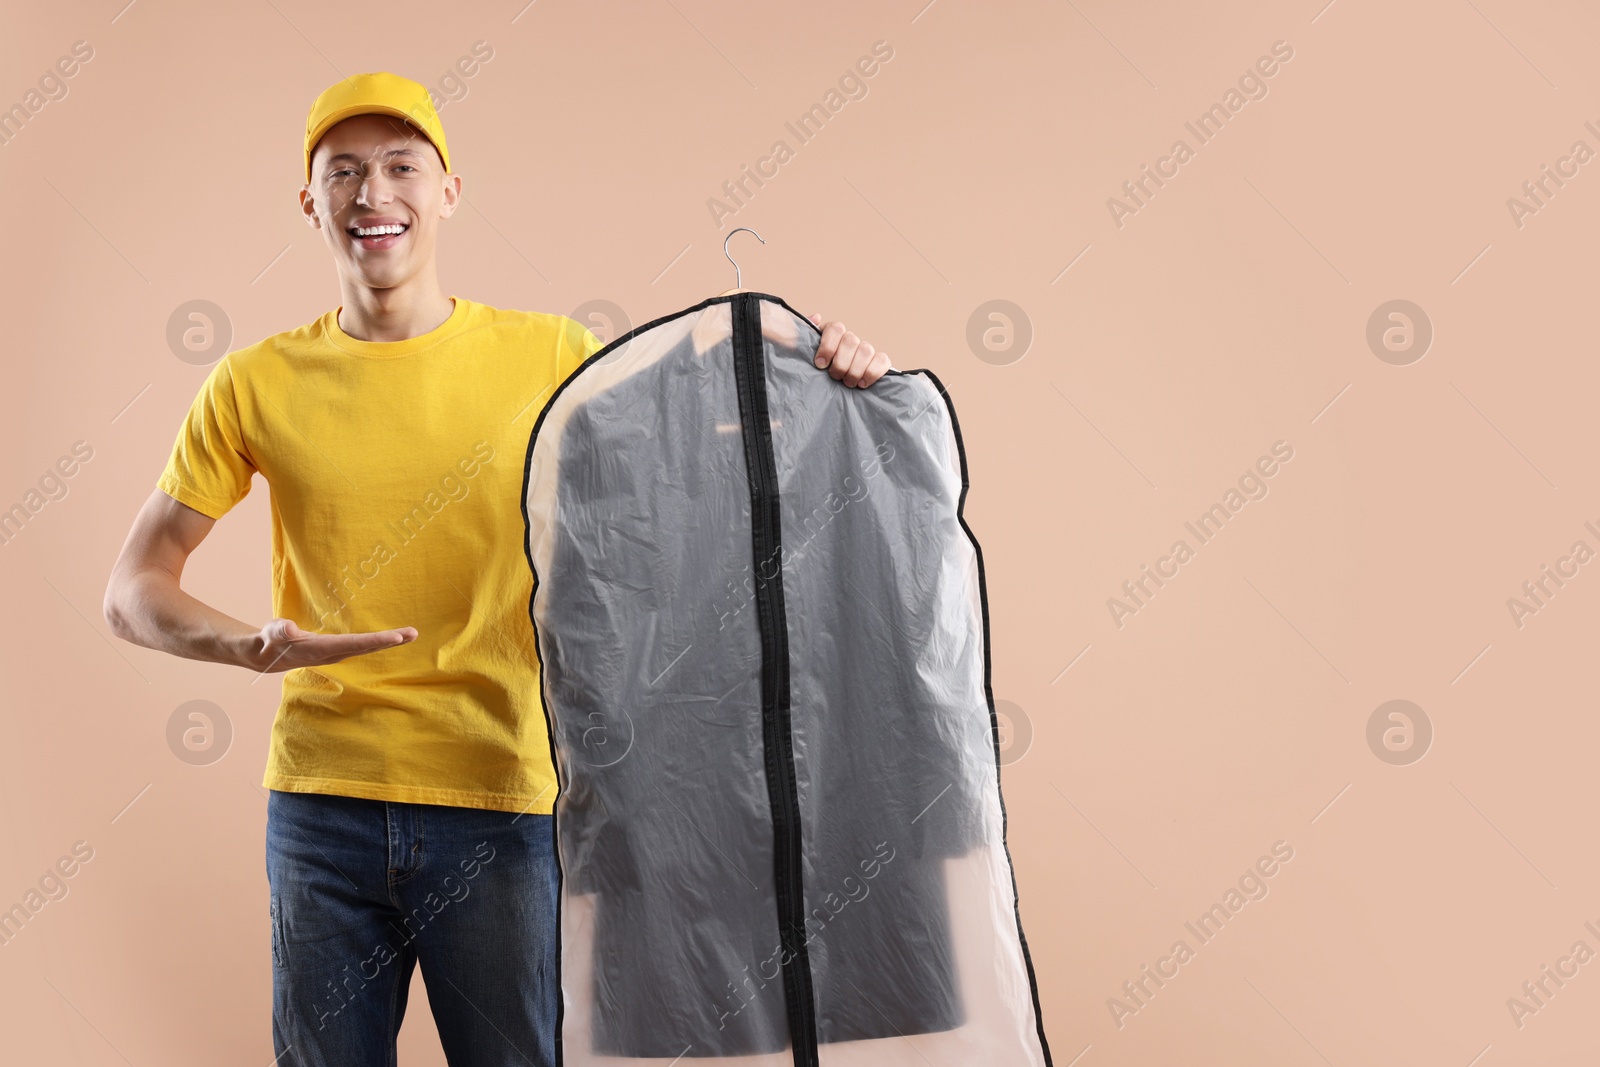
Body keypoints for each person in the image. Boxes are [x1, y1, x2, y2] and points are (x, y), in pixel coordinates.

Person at [101, 71, 892, 1067]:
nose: (371, 193)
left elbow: (710, 448)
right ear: (311, 204)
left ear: (448, 192)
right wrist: (249, 645)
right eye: (342, 172)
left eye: (400, 167)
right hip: (320, 809)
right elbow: (135, 586)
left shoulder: (552, 353)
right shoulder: (254, 380)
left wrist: (833, 369)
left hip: (502, 805)